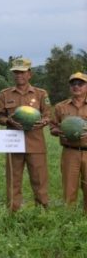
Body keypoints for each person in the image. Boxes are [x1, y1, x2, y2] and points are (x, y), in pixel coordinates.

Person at [0, 57, 51, 211]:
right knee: (13, 180)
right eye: (16, 72)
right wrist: (8, 121)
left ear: (29, 74)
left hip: (35, 144)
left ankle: (43, 212)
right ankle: (13, 213)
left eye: (22, 72)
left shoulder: (41, 94)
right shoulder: (5, 94)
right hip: (14, 143)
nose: (19, 75)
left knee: (39, 180)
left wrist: (44, 121)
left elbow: (47, 115)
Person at [49, 71, 87, 212]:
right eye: (73, 84)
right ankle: (68, 217)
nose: (76, 86)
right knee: (69, 187)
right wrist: (58, 131)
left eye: (80, 84)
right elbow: (52, 127)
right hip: (70, 152)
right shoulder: (61, 107)